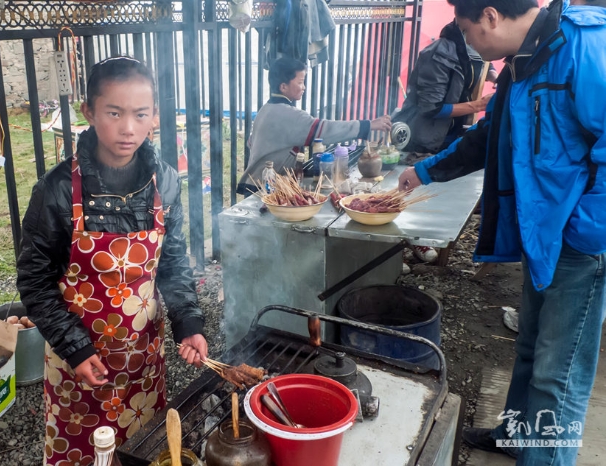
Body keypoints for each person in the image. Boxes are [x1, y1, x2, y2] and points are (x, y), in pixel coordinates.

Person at [398, 0, 606, 464]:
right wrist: (426, 171)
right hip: (544, 235)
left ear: (492, 15)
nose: (470, 43)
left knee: (560, 376)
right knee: (530, 347)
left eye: (470, 32)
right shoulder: (520, 63)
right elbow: (490, 137)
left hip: (579, 243)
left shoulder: (584, 46)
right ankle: (515, 436)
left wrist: (582, 233)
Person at [16, 57, 208, 465]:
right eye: (114, 113)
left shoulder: (166, 182)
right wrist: (75, 348)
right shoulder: (56, 191)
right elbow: (34, 282)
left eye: (141, 114)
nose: (128, 128)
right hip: (78, 364)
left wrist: (189, 323)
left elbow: (171, 261)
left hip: (143, 356)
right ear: (88, 112)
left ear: (154, 115)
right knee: (84, 454)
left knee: (144, 448)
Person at [237, 57, 392, 195]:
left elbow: (251, 142)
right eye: (299, 82)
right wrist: (368, 125)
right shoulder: (288, 114)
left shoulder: (267, 109)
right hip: (264, 187)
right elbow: (324, 130)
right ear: (283, 87)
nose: (303, 87)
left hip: (256, 182)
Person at [392, 20, 496, 156]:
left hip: (454, 135)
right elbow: (432, 108)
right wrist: (479, 105)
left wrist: (494, 76)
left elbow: (481, 65)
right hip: (425, 143)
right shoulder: (438, 55)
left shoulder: (476, 46)